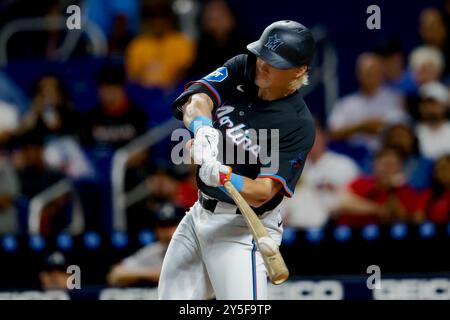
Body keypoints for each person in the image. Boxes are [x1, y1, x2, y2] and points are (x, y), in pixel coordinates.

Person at [158, 20, 316, 300]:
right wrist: (203, 129)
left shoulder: (298, 124)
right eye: (262, 55)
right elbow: (196, 99)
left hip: (242, 229)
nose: (263, 65)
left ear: (299, 71)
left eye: (275, 62)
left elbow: (263, 193)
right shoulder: (243, 66)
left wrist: (223, 175)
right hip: (199, 216)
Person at [282, 120, 359, 228]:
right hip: (293, 229)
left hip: (332, 227)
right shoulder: (294, 167)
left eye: (313, 134)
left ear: (324, 136)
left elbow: (355, 200)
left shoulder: (344, 165)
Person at [328, 52, 407, 152]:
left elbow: (403, 130)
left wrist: (382, 127)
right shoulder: (347, 103)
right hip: (355, 154)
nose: (370, 76)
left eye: (373, 71)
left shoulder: (395, 99)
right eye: (366, 72)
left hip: (386, 152)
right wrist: (361, 127)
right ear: (358, 74)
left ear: (381, 73)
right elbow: (333, 132)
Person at [337, 147, 423, 227]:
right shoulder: (360, 182)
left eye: (391, 165)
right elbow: (343, 204)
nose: (386, 169)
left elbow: (401, 217)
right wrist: (378, 209)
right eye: (383, 164)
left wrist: (391, 191)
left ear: (400, 167)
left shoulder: (405, 191)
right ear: (375, 164)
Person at [107, 203, 183, 287]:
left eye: (172, 225)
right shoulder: (154, 250)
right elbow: (115, 274)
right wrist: (152, 273)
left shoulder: (194, 249)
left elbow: (178, 275)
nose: (167, 232)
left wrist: (156, 274)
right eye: (163, 226)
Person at [415, 81, 450, 160]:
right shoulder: (413, 131)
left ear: (444, 106)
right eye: (425, 104)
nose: (429, 108)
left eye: (434, 104)